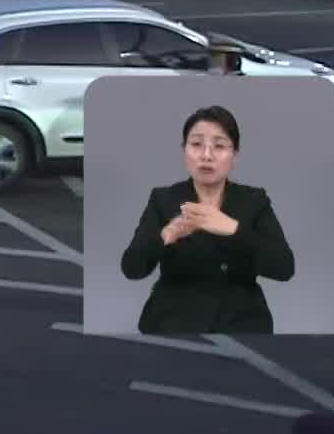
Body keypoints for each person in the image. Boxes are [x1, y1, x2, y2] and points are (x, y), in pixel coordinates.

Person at [119, 104, 295, 334]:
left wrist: (233, 229)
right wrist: (166, 236)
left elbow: (284, 268)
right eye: (196, 144)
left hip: (242, 321)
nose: (206, 155)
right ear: (184, 150)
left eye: (220, 146)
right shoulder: (164, 199)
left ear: (235, 155)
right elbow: (132, 269)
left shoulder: (254, 200)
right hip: (174, 320)